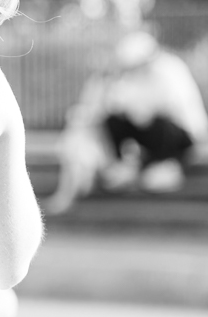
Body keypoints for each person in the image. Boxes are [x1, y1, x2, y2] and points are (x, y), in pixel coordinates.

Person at [48, 30, 208, 213]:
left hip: (180, 137)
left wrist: (141, 110)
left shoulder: (169, 70)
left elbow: (172, 112)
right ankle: (125, 165)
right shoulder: (131, 75)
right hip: (151, 136)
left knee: (154, 122)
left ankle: (166, 164)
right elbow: (119, 106)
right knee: (117, 119)